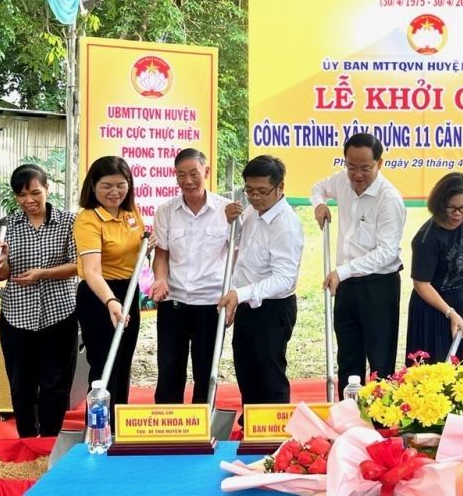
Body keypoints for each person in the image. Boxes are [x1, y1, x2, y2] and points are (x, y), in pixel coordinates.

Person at [310, 133, 407, 384]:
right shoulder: (342, 181)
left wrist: (342, 272)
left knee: (379, 358)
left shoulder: (389, 199)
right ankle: (347, 412)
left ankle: (379, 419)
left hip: (378, 286)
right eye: (351, 167)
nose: (357, 175)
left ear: (380, 163)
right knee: (348, 354)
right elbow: (318, 188)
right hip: (346, 285)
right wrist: (319, 205)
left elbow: (386, 252)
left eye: (366, 168)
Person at [0, 164, 78, 437]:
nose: (28, 200)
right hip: (17, 316)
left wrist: (43, 274)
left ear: (47, 189)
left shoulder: (69, 221)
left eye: (34, 192)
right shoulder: (8, 225)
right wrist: (3, 260)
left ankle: (50, 441)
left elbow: (80, 264)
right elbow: (3, 274)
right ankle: (27, 440)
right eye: (21, 195)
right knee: (21, 385)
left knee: (55, 384)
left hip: (59, 313)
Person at [218, 155, 304, 406]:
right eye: (250, 190)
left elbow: (285, 279)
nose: (255, 197)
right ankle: (252, 426)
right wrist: (230, 223)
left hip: (272, 309)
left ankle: (274, 432)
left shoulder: (286, 225)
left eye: (263, 191)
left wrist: (241, 294)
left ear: (280, 188)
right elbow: (237, 249)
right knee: (246, 370)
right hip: (245, 302)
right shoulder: (253, 213)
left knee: (269, 374)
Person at [151, 148, 231, 404]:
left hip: (211, 302)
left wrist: (232, 297)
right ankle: (167, 423)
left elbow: (236, 258)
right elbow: (161, 254)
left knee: (206, 371)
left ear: (206, 172)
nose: (187, 181)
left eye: (194, 174)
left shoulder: (226, 211)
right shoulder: (165, 211)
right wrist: (160, 279)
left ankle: (203, 424)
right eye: (181, 175)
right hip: (174, 301)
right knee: (169, 368)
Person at [74, 156, 147, 411]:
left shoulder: (131, 213)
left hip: (128, 292)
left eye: (120, 185)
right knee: (105, 362)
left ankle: (118, 427)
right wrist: (111, 301)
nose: (114, 192)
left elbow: (137, 250)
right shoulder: (88, 220)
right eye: (106, 186)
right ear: (93, 185)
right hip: (99, 296)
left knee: (124, 359)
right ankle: (97, 427)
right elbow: (92, 272)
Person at [405, 172, 463, 366]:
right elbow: (421, 284)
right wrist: (450, 313)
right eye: (451, 208)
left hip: (461, 298)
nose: (457, 214)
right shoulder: (427, 239)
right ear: (440, 204)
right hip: (432, 307)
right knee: (436, 368)